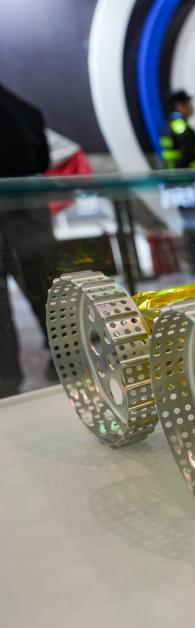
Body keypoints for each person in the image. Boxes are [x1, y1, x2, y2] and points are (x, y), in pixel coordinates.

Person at [0, 83, 53, 397]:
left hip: (15, 209)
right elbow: (42, 162)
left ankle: (6, 380)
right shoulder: (25, 109)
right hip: (30, 208)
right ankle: (68, 358)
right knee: (44, 287)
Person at [160, 90, 195, 274]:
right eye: (189, 103)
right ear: (180, 105)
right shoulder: (183, 128)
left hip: (180, 186)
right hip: (192, 185)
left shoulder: (168, 126)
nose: (192, 107)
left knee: (191, 224)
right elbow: (185, 159)